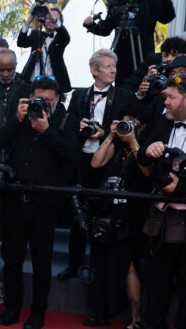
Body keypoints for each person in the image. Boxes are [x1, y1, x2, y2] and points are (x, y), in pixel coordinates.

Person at [125, 75, 186, 329]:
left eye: (171, 97)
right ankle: (154, 324)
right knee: (157, 272)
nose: (166, 102)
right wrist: (149, 149)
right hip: (160, 212)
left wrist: (181, 186)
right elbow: (143, 156)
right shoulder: (164, 120)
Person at [0, 77, 80, 329]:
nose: (42, 105)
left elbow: (72, 155)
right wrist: (17, 119)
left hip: (46, 204)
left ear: (58, 100)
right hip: (15, 200)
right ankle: (11, 308)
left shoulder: (67, 120)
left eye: (48, 101)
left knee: (42, 262)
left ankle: (38, 312)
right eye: (37, 100)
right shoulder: (22, 118)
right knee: (12, 259)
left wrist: (46, 130)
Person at [57, 49, 134, 281]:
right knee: (77, 214)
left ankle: (101, 269)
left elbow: (128, 130)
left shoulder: (124, 95)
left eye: (114, 66)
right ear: (94, 71)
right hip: (81, 161)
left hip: (108, 163)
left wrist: (103, 133)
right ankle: (74, 263)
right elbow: (67, 123)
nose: (114, 70)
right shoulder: (79, 95)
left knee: (104, 215)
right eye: (108, 66)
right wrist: (78, 125)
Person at [82, 101, 152, 329]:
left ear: (142, 127)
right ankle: (101, 314)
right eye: (125, 122)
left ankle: (135, 319)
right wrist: (111, 137)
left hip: (131, 215)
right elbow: (95, 163)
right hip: (106, 214)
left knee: (129, 266)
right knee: (101, 263)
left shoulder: (143, 147)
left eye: (134, 124)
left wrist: (133, 141)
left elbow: (147, 172)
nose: (128, 127)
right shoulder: (116, 145)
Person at [83, 0, 175, 86]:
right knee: (122, 87)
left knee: (143, 84)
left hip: (144, 52)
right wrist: (90, 26)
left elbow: (167, 17)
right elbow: (106, 28)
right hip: (122, 53)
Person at [17, 6, 71, 94]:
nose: (50, 20)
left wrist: (53, 18)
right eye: (48, 18)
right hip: (32, 84)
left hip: (52, 86)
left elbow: (65, 35)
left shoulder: (61, 38)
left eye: (54, 18)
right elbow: (21, 43)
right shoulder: (36, 35)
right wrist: (30, 18)